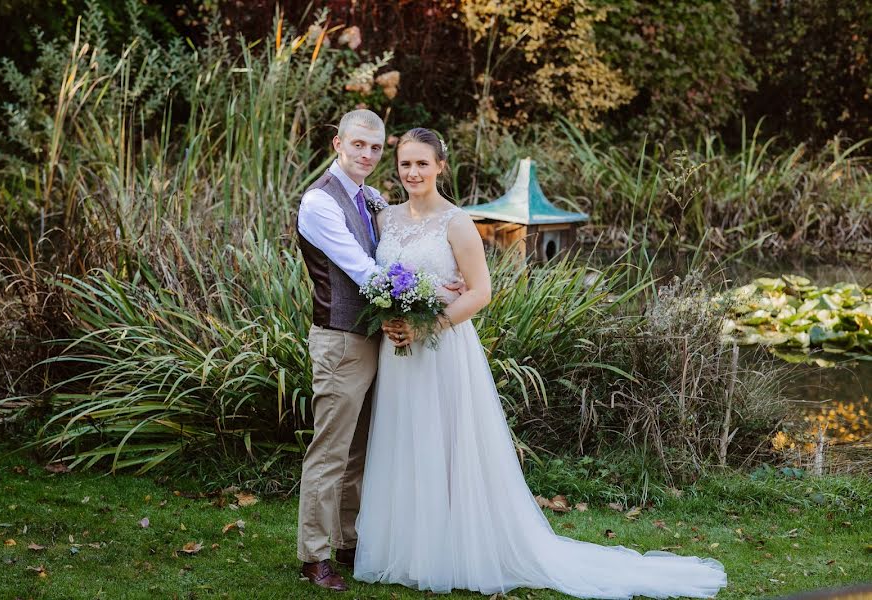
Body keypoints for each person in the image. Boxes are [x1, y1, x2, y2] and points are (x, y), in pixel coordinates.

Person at [353, 127, 728, 599]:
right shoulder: (386, 220)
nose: (412, 172)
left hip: (442, 349)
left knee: (443, 442)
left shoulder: (457, 222)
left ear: (440, 167)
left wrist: (428, 325)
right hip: (398, 351)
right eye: (405, 164)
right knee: (405, 440)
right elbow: (381, 279)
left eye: (422, 164)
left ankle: (451, 547)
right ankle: (406, 547)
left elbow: (480, 292)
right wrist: (391, 316)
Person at [295, 111, 461, 592]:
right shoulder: (319, 203)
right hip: (341, 339)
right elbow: (366, 271)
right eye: (358, 146)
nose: (367, 155)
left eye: (375, 148)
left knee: (362, 449)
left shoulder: (371, 199)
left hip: (379, 340)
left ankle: (347, 541)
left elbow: (401, 254)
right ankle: (314, 555)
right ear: (337, 144)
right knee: (330, 449)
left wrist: (438, 281)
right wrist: (438, 295)